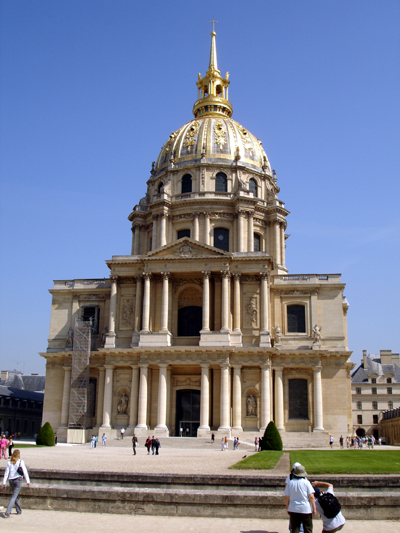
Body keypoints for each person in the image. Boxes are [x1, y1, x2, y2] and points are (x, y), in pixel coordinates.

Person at [284, 464, 316, 533]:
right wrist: (314, 508)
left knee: (295, 529)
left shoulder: (290, 483)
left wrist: (288, 507)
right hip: (305, 509)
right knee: (308, 529)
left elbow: (287, 497)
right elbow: (311, 496)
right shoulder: (306, 482)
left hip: (293, 508)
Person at [2, 449, 31, 518]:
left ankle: (19, 510)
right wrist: (28, 481)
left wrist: (3, 483)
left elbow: (6, 473)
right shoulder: (20, 461)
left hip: (11, 481)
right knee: (14, 496)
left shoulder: (9, 462)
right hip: (18, 480)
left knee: (15, 495)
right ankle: (8, 512)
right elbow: (24, 471)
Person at [285, 462, 304, 533]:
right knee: (301, 521)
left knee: (292, 519)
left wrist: (287, 505)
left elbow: (286, 491)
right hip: (302, 501)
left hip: (292, 501)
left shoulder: (289, 477)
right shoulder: (304, 478)